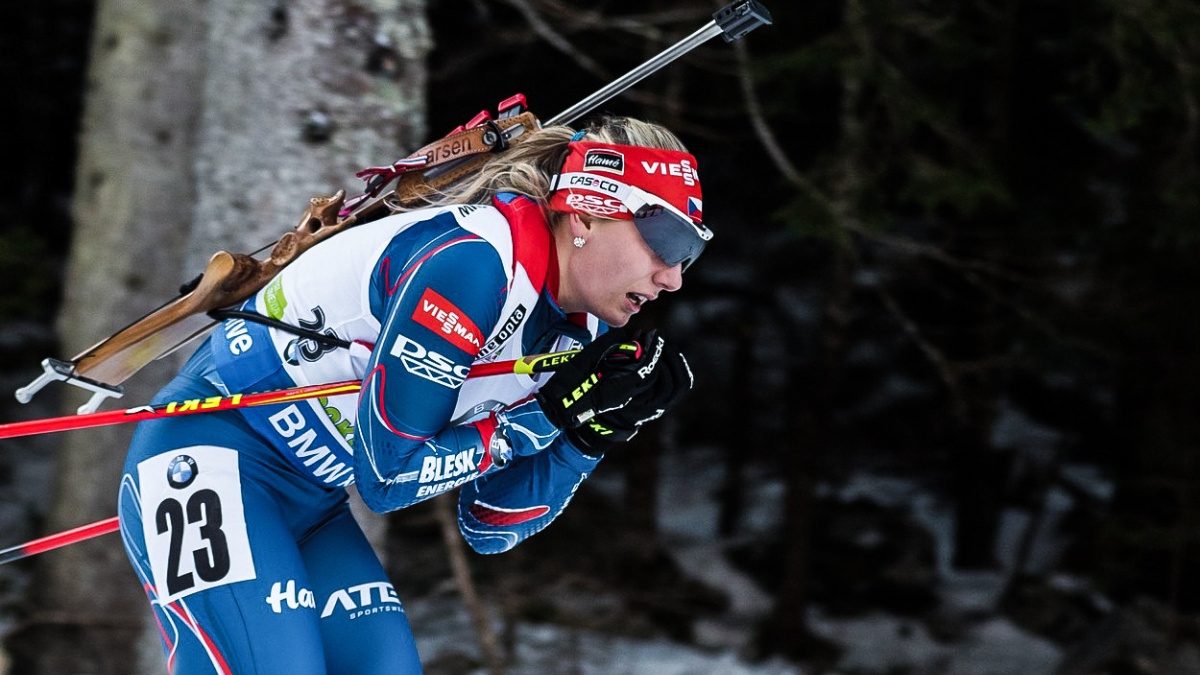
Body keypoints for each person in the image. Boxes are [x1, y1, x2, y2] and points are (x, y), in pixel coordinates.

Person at [116, 115, 711, 674]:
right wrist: (544, 417)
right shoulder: (474, 262)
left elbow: (489, 525)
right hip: (212, 456)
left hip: (313, 502)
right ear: (584, 214)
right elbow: (389, 479)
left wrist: (588, 434)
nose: (673, 277)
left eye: (691, 252)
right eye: (664, 240)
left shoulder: (581, 331)